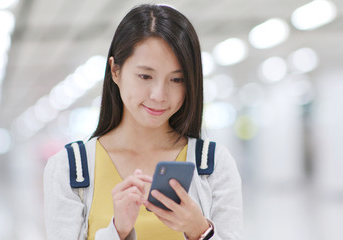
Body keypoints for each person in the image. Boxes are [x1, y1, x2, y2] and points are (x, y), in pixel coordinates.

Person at [43, 4, 242, 240]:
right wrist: (117, 232)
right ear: (115, 71)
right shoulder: (70, 168)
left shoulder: (213, 164)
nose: (159, 94)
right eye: (145, 76)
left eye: (177, 79)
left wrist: (200, 230)